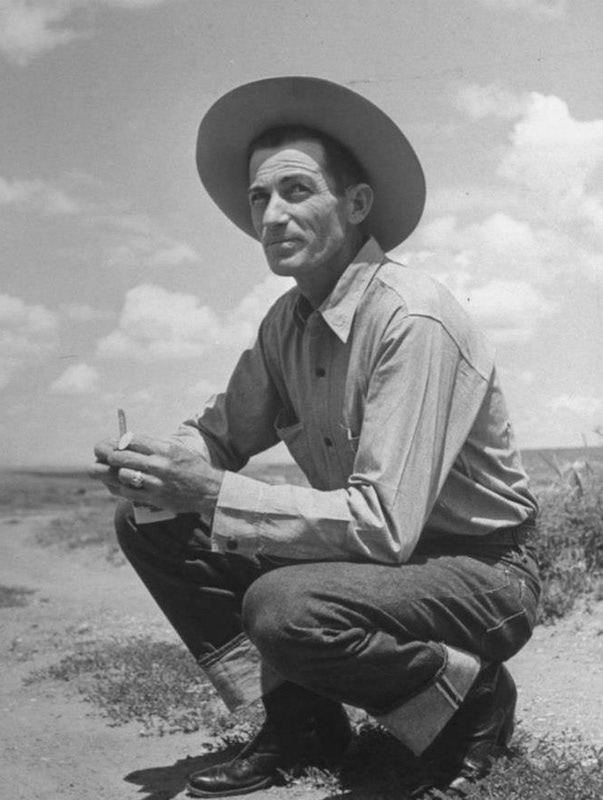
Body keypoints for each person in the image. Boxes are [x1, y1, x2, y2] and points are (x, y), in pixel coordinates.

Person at [90, 77, 541, 798]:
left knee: (283, 605)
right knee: (151, 521)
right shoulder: (285, 325)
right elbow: (218, 435)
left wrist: (209, 490)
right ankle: (300, 723)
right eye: (259, 199)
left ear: (357, 205)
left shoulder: (410, 319)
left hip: (481, 573)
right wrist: (155, 467)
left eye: (296, 191)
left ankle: (467, 700)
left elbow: (384, 527)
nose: (271, 215)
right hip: (381, 567)